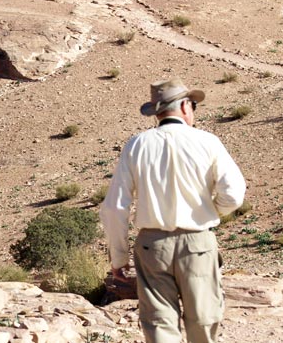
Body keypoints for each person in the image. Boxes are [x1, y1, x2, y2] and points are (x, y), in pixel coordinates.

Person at [100, 79, 246, 343]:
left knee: (159, 325)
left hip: (151, 246)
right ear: (184, 106)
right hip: (198, 243)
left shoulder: (137, 145)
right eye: (193, 105)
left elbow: (114, 207)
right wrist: (210, 210)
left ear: (157, 112)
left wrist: (118, 259)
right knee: (203, 320)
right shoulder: (207, 141)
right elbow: (234, 194)